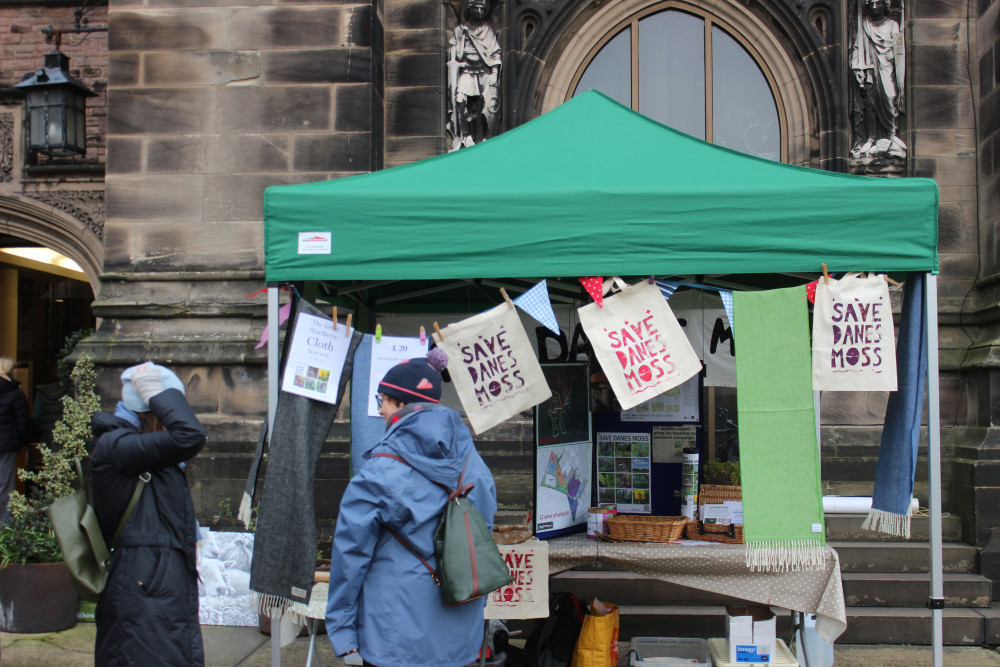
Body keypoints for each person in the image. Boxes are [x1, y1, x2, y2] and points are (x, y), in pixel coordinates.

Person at [326, 349, 498, 667]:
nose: (379, 409)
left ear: (401, 405)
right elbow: (482, 535)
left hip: (392, 634)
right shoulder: (473, 461)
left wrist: (342, 633)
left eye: (383, 400)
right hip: (460, 627)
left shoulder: (379, 470)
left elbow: (349, 557)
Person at [90, 362, 206, 666]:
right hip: (143, 596)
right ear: (152, 411)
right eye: (168, 409)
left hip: (153, 589)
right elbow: (190, 436)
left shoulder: (136, 449)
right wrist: (156, 392)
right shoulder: (118, 446)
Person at [849, 0, 906, 158]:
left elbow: (899, 45)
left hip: (887, 65)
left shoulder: (893, 24)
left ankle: (892, 133)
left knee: (890, 96)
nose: (874, 7)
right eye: (871, 3)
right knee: (870, 102)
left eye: (878, 3)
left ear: (884, 5)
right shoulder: (866, 25)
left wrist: (894, 53)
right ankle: (871, 138)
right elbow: (858, 46)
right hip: (871, 67)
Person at [447, 0, 501, 150]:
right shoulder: (461, 30)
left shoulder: (487, 31)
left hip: (483, 73)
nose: (480, 11)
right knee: (459, 100)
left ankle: (485, 135)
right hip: (467, 72)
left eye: (482, 9)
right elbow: (455, 54)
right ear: (469, 10)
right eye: (476, 8)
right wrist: (460, 39)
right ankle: (464, 135)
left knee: (487, 106)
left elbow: (495, 53)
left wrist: (495, 73)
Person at [0, 356, 35, 523]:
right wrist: (22, 444)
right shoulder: (16, 394)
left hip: (7, 443)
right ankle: (4, 529)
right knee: (5, 487)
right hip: (7, 445)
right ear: (13, 371)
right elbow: (23, 424)